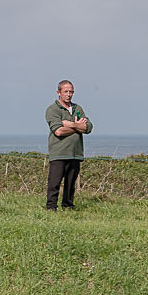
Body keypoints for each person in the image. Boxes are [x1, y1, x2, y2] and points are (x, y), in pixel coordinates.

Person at [45, 80, 93, 211]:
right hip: (59, 153)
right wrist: (79, 127)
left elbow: (88, 127)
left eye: (71, 91)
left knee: (71, 184)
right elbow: (59, 131)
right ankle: (51, 208)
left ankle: (68, 206)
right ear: (58, 92)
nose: (69, 94)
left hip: (75, 153)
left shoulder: (78, 108)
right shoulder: (52, 109)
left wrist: (70, 124)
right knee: (54, 183)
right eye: (66, 91)